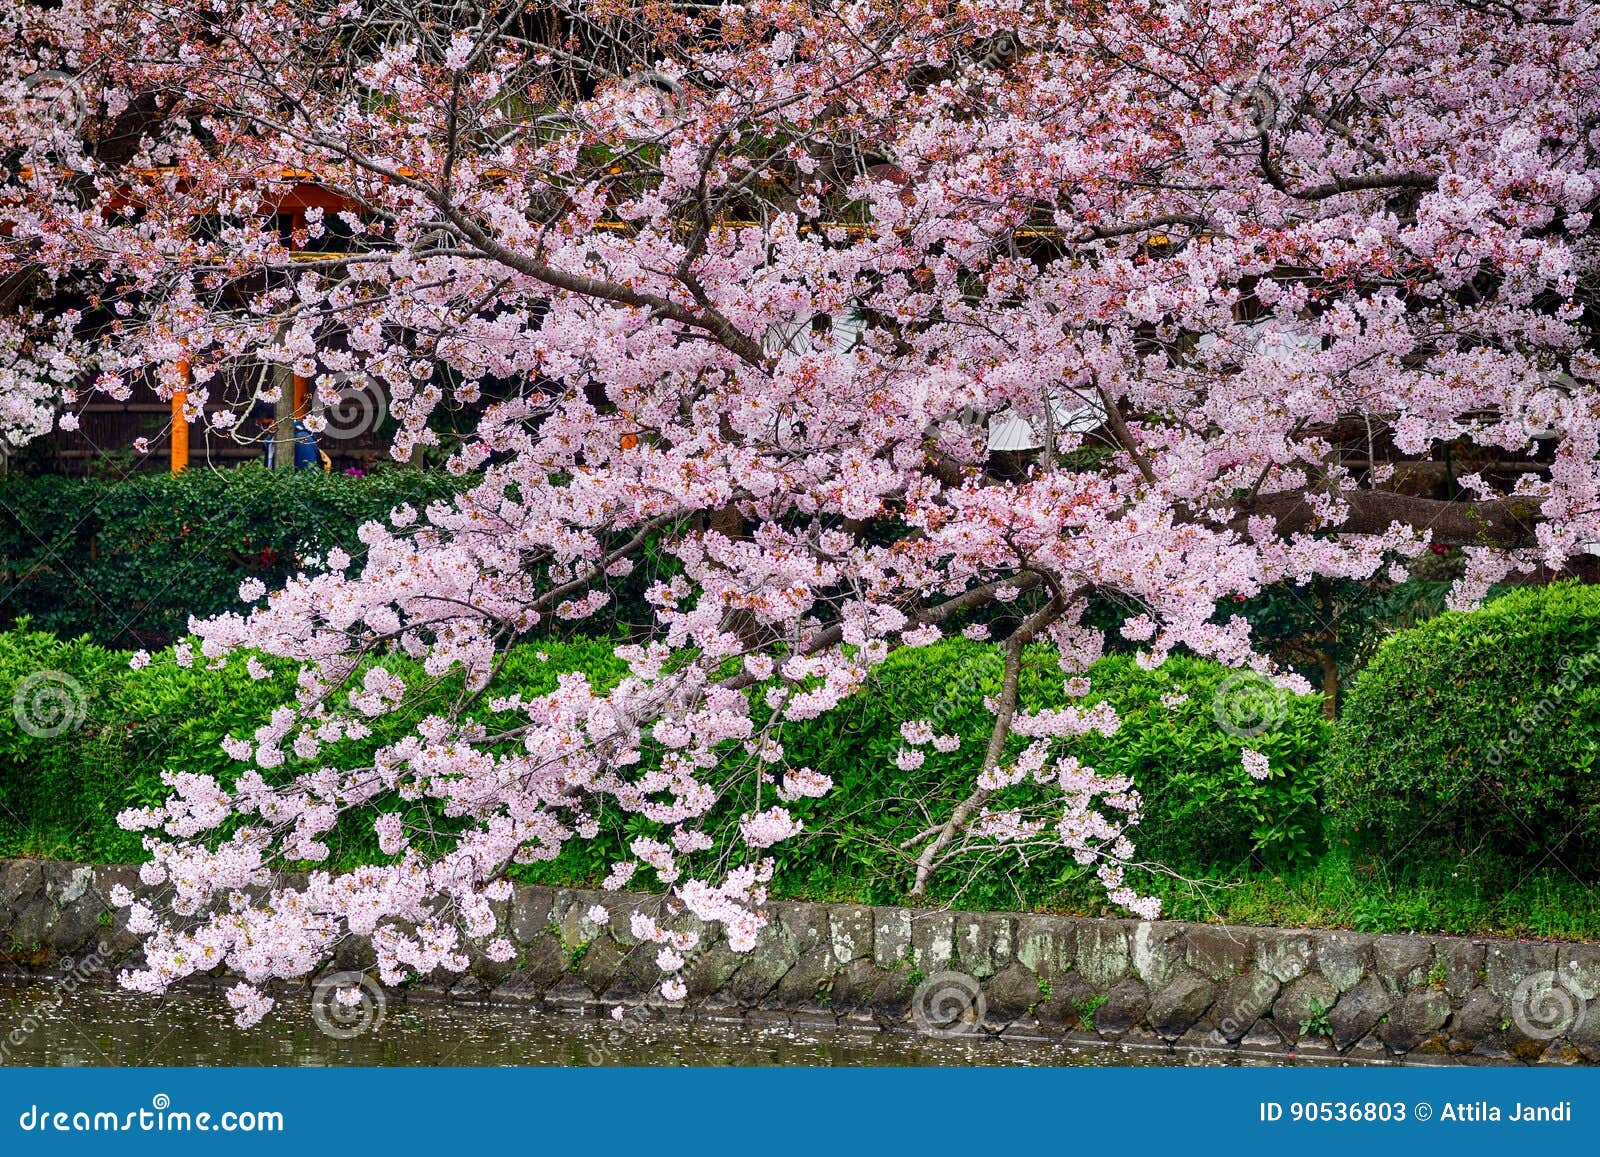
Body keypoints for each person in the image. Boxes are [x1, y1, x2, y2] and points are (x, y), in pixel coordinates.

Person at [250, 402, 329, 471]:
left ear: (280, 418)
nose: (263, 429)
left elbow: (307, 477)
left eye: (266, 425)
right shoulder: (270, 440)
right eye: (259, 425)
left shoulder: (302, 439)